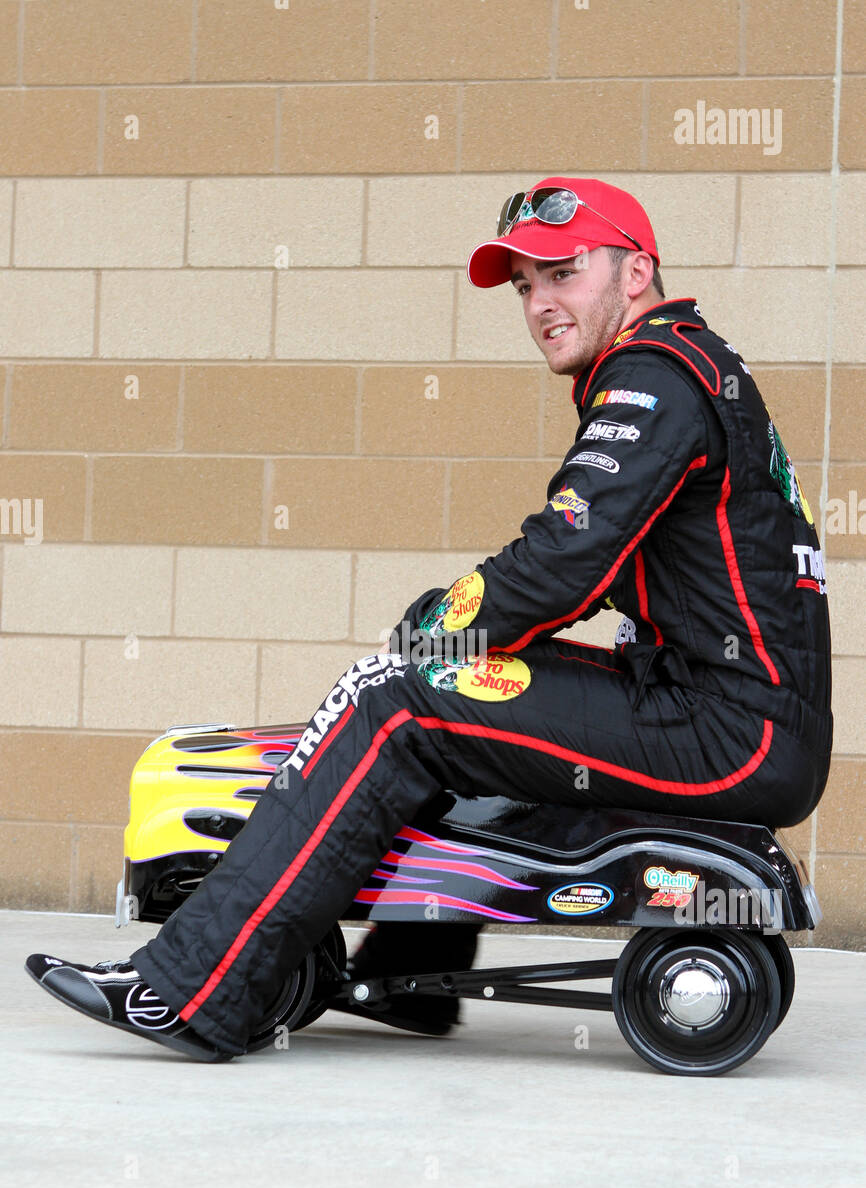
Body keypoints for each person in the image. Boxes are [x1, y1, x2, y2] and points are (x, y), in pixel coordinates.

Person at [26, 177, 832, 1062]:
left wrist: (428, 627)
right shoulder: (689, 361)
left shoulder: (653, 375)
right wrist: (477, 632)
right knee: (472, 690)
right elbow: (600, 565)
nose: (541, 302)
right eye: (526, 285)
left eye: (562, 272)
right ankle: (410, 975)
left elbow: (565, 558)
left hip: (724, 729)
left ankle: (193, 991)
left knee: (401, 694)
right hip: (725, 712)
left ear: (635, 270)